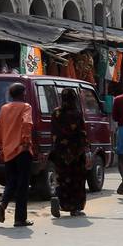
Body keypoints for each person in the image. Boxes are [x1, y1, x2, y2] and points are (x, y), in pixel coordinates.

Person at [0, 82, 35, 227]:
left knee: (11, 181)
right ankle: (20, 219)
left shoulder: (4, 108)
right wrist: (25, 142)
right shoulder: (26, 107)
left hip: (8, 151)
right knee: (23, 185)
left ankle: (3, 204)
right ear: (22, 94)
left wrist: (2, 147)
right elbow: (27, 124)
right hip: (22, 150)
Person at [50, 87, 89, 218]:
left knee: (62, 178)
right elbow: (82, 134)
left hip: (59, 152)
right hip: (75, 153)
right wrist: (85, 148)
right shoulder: (77, 114)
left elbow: (54, 132)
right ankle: (75, 208)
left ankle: (59, 201)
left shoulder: (55, 113)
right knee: (76, 180)